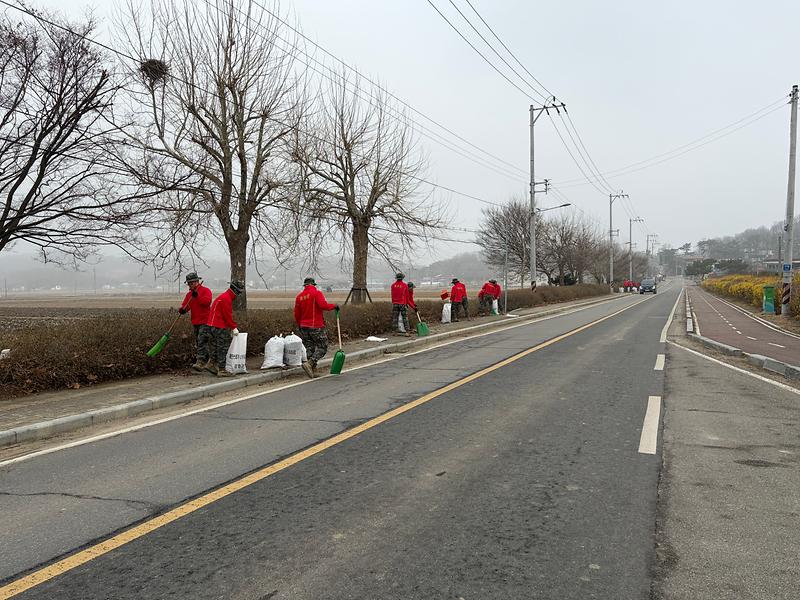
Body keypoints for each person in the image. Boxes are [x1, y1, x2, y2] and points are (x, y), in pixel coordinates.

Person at [294, 277, 338, 378]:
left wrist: (299, 325)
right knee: (323, 346)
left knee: (310, 348)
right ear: (313, 285)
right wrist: (334, 306)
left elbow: (296, 314)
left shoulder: (299, 297)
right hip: (315, 326)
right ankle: (310, 363)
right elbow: (323, 305)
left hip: (303, 326)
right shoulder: (317, 293)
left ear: (305, 286)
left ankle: (312, 370)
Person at [206, 280, 243, 377]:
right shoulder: (227, 299)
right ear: (234, 289)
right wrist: (234, 327)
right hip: (219, 326)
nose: (238, 294)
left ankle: (211, 364)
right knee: (222, 347)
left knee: (214, 346)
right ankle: (222, 369)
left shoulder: (223, 296)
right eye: (238, 292)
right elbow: (227, 315)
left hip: (211, 325)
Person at [179, 272, 213, 371]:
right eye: (189, 283)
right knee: (199, 342)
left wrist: (197, 296)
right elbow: (186, 306)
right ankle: (211, 361)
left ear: (197, 282)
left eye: (192, 283)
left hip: (205, 321)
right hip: (195, 321)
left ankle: (200, 362)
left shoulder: (206, 291)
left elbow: (206, 302)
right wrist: (182, 310)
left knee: (202, 340)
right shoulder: (189, 295)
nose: (190, 285)